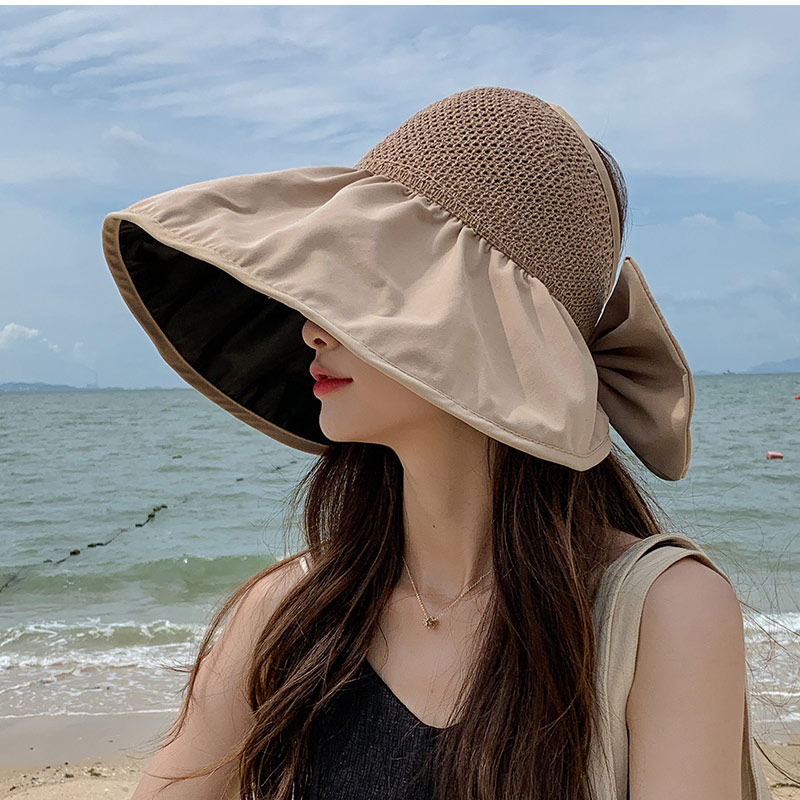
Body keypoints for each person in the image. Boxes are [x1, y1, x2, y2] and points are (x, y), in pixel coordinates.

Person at [101, 87, 773, 799]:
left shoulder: (662, 614)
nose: (313, 327)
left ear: (485, 325)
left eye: (365, 285)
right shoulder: (285, 612)